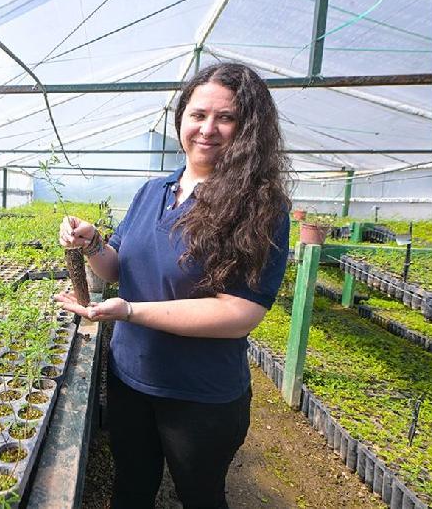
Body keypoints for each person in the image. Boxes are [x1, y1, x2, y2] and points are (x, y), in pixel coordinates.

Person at [56, 62, 291, 509]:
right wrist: (92, 243)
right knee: (131, 486)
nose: (208, 128)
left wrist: (130, 312)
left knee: (200, 495)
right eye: (198, 114)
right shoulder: (153, 190)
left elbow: (239, 314)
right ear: (180, 118)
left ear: (248, 129)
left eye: (226, 118)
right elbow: (116, 267)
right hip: (130, 376)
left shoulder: (259, 207)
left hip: (200, 394)